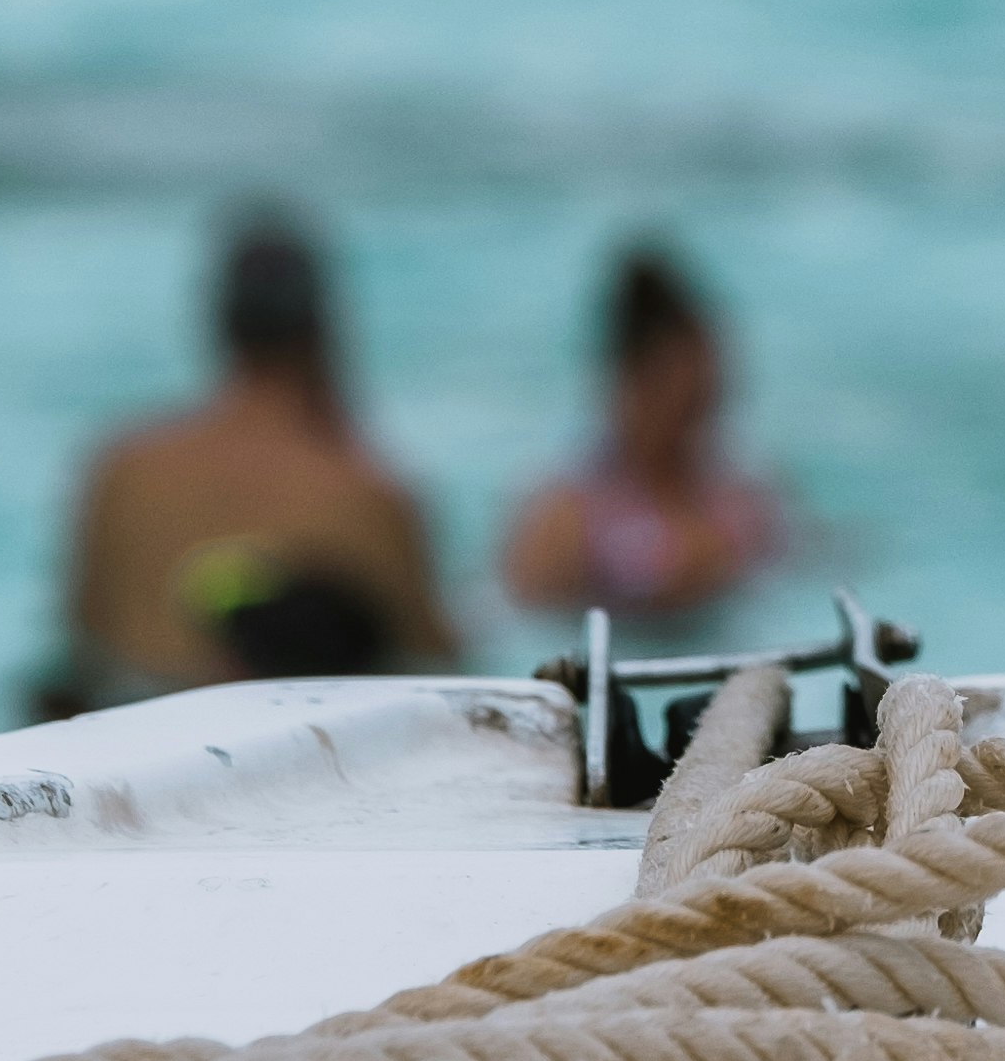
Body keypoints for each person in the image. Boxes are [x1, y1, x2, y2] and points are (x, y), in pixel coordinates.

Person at [40, 209, 458, 715]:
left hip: (133, 732)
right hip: (284, 746)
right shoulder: (371, 492)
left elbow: (82, 647)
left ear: (219, 324)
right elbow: (440, 685)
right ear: (322, 330)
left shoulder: (121, 468)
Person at [501, 240, 782, 625]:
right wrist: (655, 597)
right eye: (684, 405)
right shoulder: (564, 519)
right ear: (628, 383)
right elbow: (526, 619)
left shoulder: (742, 499)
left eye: (707, 403)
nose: (697, 427)